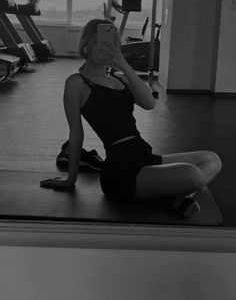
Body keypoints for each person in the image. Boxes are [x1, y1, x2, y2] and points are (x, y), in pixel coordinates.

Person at [40, 19, 222, 218]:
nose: (106, 49)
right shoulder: (76, 83)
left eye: (112, 44)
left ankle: (171, 196)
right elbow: (76, 133)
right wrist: (70, 179)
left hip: (142, 154)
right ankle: (173, 194)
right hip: (121, 172)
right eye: (100, 43)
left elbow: (149, 104)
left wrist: (123, 65)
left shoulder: (121, 79)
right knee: (193, 174)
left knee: (212, 159)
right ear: (86, 46)